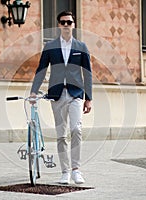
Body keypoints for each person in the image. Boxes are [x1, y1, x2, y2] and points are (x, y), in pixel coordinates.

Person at [30, 11, 92, 184]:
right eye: (63, 22)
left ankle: (76, 169)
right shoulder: (50, 46)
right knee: (61, 135)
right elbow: (41, 70)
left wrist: (89, 98)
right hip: (57, 95)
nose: (66, 25)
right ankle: (65, 171)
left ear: (73, 24)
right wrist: (34, 91)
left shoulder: (81, 47)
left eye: (69, 22)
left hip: (76, 94)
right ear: (59, 25)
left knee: (76, 129)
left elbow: (87, 74)